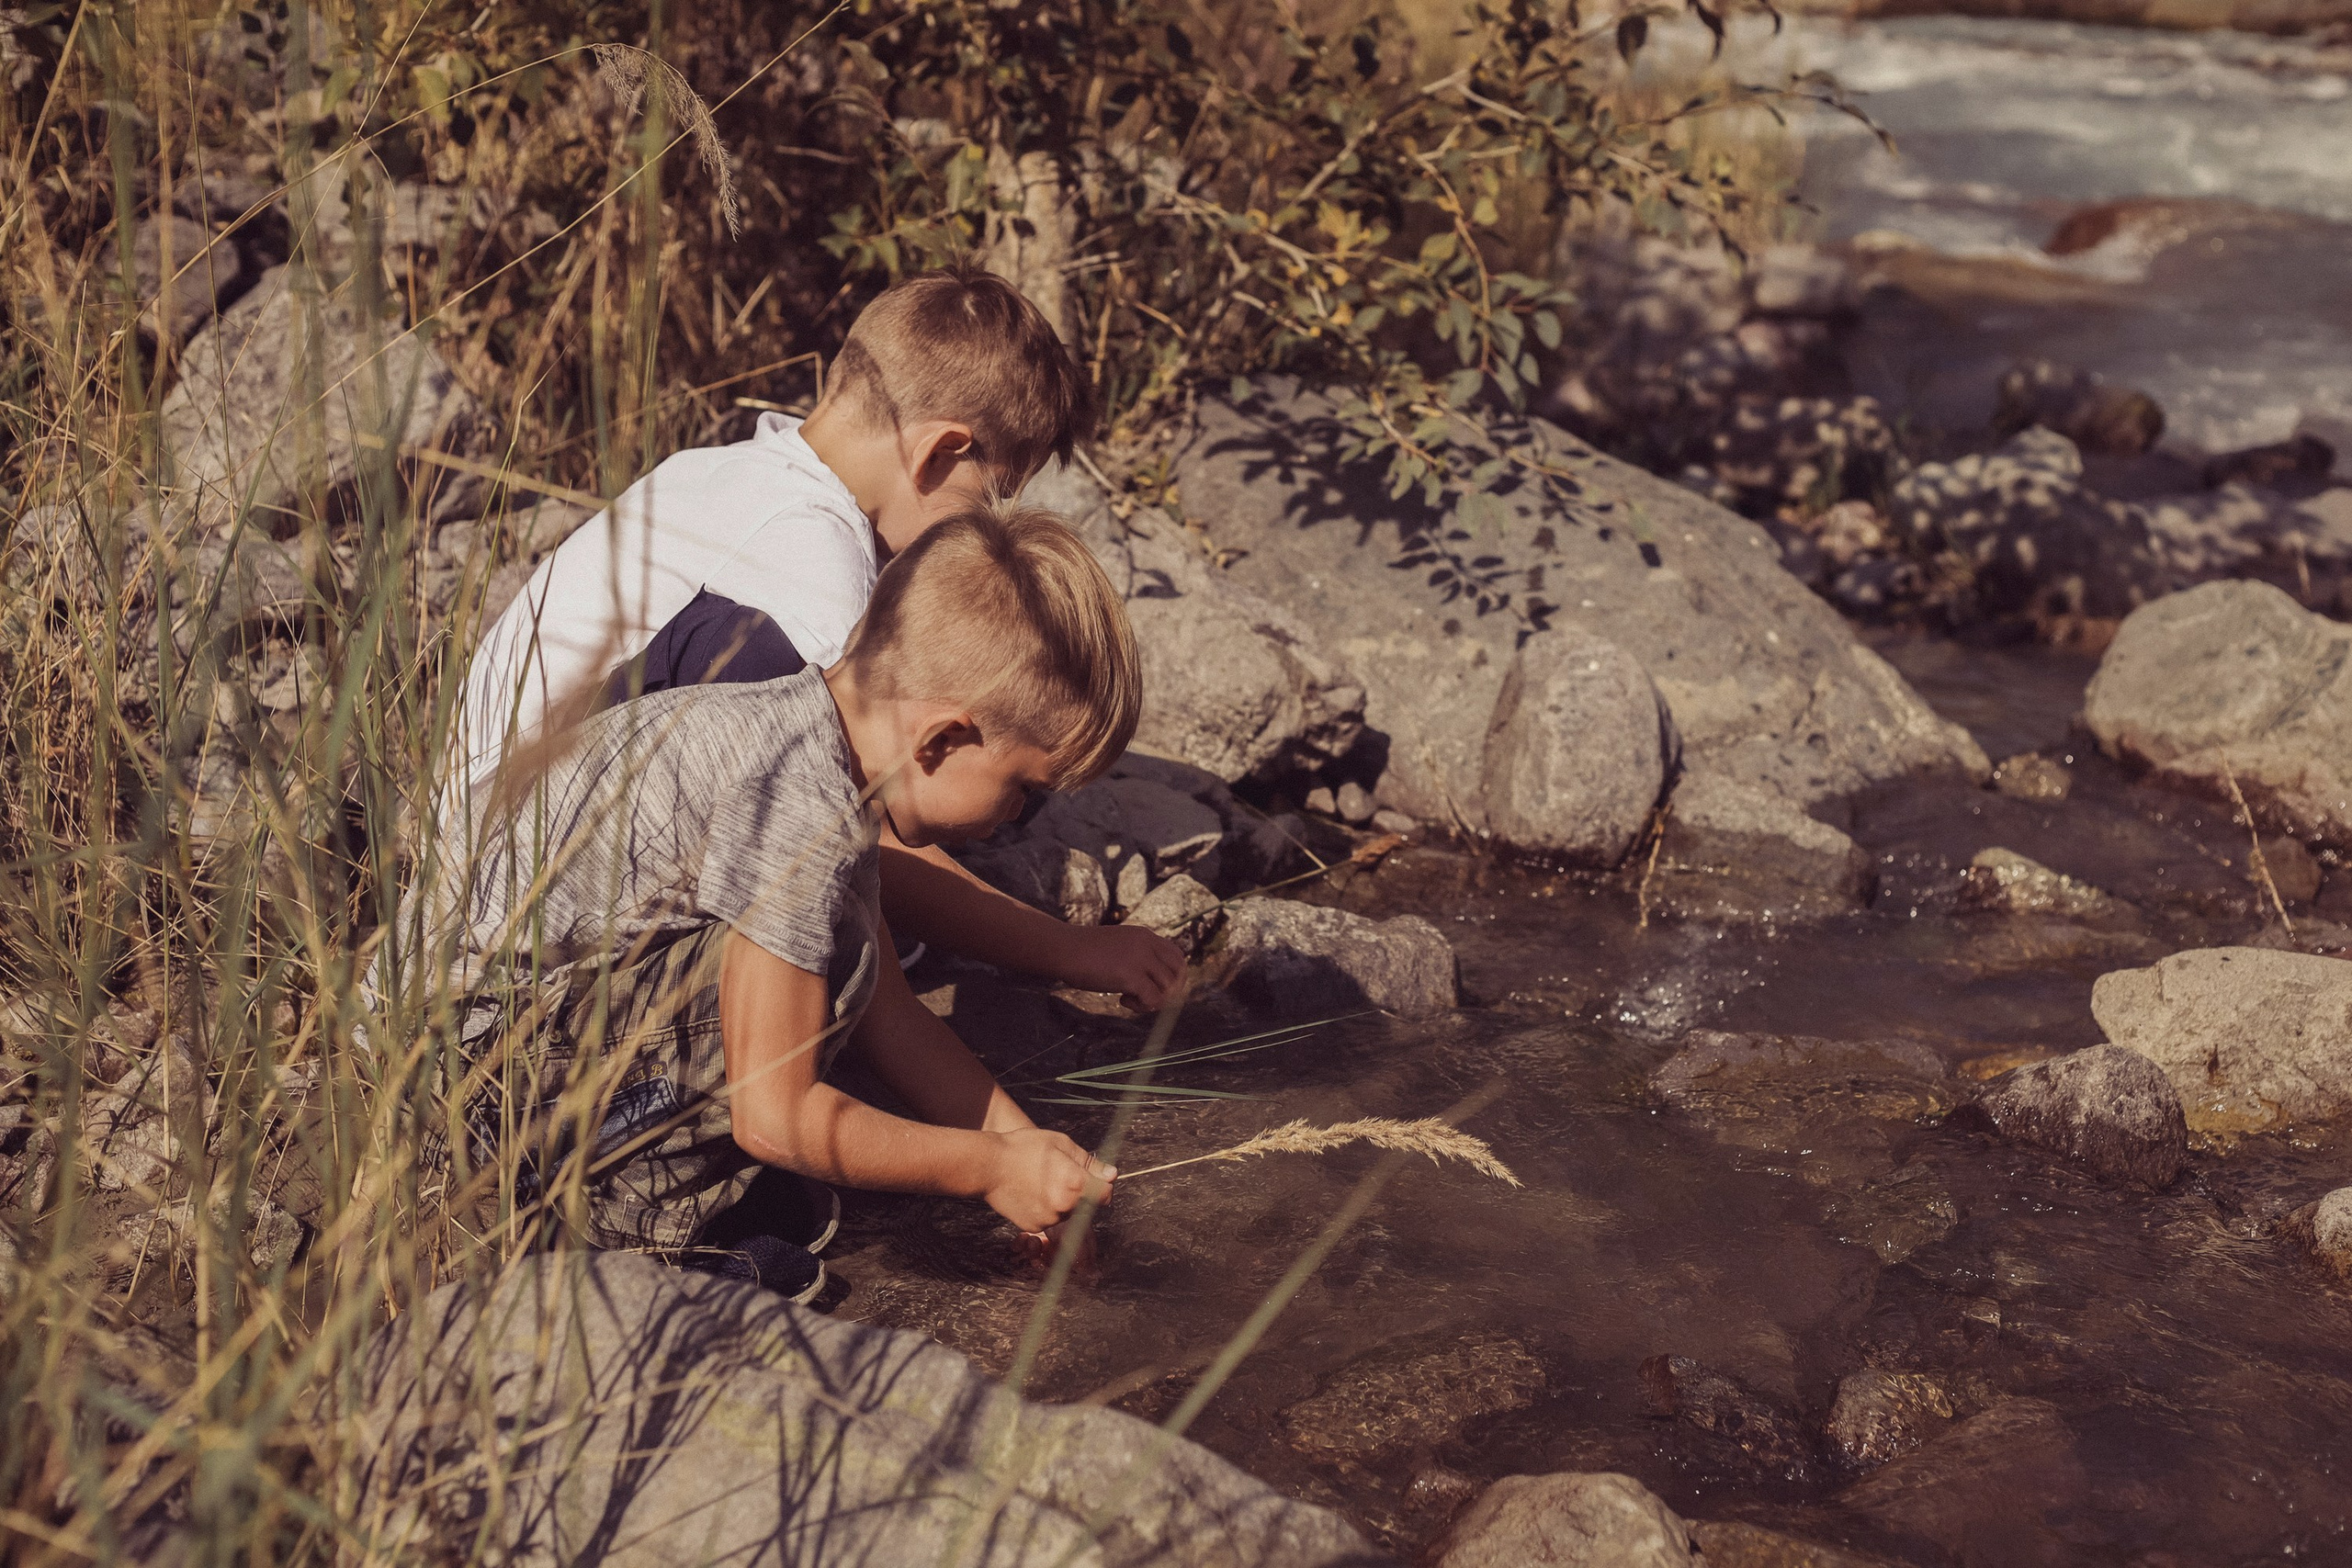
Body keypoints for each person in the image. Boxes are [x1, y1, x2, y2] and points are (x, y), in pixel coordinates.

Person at [424, 504, 1131, 1300]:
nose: (1015, 819)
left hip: (491, 1033)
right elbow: (775, 1115)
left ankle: (645, 1178)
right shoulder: (802, 809)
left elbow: (891, 1017)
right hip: (464, 1084)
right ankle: (616, 1234)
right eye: (1024, 793)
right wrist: (986, 1170)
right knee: (821, 976)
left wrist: (1030, 1156)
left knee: (843, 962)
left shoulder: (809, 742)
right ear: (940, 741)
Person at [450, 262, 1182, 1011]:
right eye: (992, 496)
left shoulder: (724, 473)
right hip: (525, 930)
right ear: (939, 453)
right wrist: (1071, 950)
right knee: (837, 968)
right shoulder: (814, 561)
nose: (985, 526)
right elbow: (833, 831)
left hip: (485, 859)